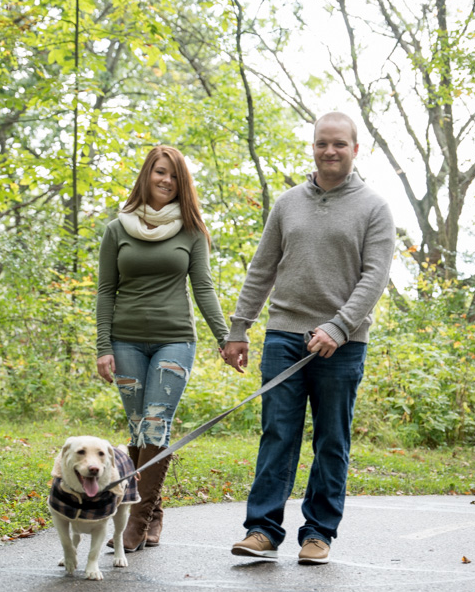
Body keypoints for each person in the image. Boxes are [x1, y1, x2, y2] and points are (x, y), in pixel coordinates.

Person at [223, 112, 395, 564]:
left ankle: (318, 533)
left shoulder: (374, 208)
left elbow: (374, 277)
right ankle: (262, 529)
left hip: (343, 344)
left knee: (331, 440)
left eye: (339, 144)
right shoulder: (287, 204)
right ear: (313, 147)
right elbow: (262, 269)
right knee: (277, 434)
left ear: (355, 150)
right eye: (322, 143)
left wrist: (338, 327)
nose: (330, 151)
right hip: (283, 335)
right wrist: (239, 328)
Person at [96, 144, 229, 552]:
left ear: (181, 182)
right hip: (126, 340)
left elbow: (203, 288)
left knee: (155, 424)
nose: (166, 181)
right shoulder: (117, 229)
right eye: (159, 172)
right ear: (146, 176)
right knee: (138, 428)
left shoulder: (192, 231)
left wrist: (225, 338)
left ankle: (135, 521)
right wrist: (103, 345)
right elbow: (106, 290)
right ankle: (152, 511)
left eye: (174, 175)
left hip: (175, 340)